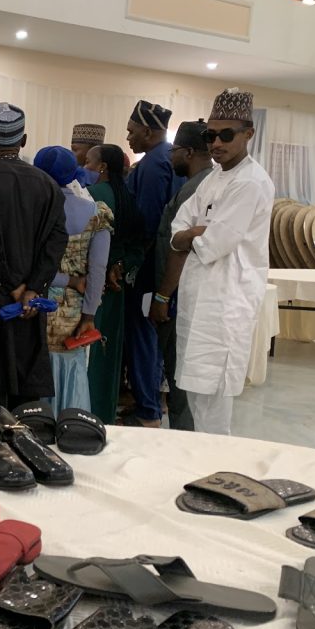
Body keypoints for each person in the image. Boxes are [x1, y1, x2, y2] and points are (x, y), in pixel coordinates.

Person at [166, 90, 274, 434]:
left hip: (225, 305)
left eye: (226, 134)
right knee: (195, 395)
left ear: (248, 134)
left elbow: (215, 243)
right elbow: (177, 231)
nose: (216, 142)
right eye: (211, 135)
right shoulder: (213, 178)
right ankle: (200, 466)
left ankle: (217, 472)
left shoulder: (251, 182)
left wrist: (196, 233)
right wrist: (194, 232)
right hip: (197, 301)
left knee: (213, 407)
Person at [0, 103, 68, 420]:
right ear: (23, 141)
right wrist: (33, 289)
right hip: (31, 305)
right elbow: (56, 242)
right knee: (27, 396)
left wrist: (14, 287)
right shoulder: (47, 184)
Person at [34, 146, 112, 412]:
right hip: (75, 316)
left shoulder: (35, 212)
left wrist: (63, 279)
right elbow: (98, 270)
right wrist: (89, 316)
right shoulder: (96, 213)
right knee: (72, 375)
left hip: (36, 309)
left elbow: (31, 268)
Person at [148, 121, 213, 431]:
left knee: (179, 378)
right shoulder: (202, 183)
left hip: (179, 298)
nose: (170, 158)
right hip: (182, 295)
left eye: (173, 152)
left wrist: (163, 297)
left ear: (188, 152)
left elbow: (181, 249)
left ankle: (184, 440)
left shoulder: (196, 189)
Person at [123, 99, 181, 427]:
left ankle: (148, 411)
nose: (128, 137)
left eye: (132, 131)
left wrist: (129, 265)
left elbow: (147, 222)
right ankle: (156, 402)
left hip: (148, 265)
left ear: (147, 130)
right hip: (170, 264)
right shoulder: (172, 157)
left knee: (142, 335)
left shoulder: (152, 165)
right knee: (159, 337)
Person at [83, 144, 145, 423]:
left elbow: (83, 245)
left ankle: (82, 412)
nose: (85, 167)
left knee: (88, 350)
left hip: (92, 285)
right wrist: (121, 267)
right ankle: (104, 413)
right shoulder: (128, 197)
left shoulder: (93, 196)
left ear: (102, 167)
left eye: (88, 162)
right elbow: (138, 244)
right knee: (108, 354)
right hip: (117, 286)